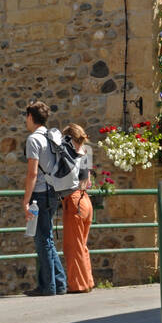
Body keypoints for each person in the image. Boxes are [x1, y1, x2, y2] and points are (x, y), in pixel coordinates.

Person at [23, 101, 67, 296]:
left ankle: (48, 286)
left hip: (39, 193)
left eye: (26, 117)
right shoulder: (52, 136)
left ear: (31, 117)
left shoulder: (33, 139)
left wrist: (25, 200)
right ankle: (60, 283)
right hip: (53, 191)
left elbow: (32, 173)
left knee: (42, 240)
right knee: (47, 238)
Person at [60, 123, 94, 293]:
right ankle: (87, 281)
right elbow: (88, 181)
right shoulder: (86, 152)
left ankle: (78, 285)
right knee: (81, 244)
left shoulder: (69, 155)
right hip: (86, 199)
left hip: (74, 199)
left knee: (73, 245)